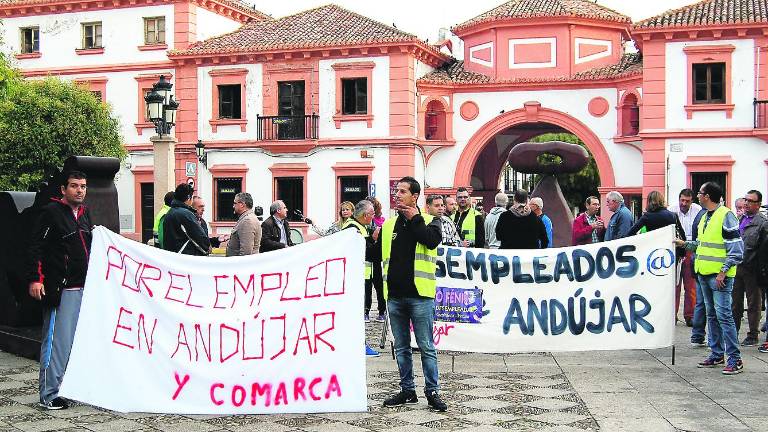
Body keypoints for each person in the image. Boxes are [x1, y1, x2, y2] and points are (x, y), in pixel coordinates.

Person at [376, 176, 446, 411]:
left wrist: (413, 217)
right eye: (396, 190)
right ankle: (407, 391)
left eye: (402, 191)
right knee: (402, 347)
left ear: (414, 197)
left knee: (426, 346)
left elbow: (430, 241)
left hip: (420, 296)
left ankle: (432, 391)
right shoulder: (387, 226)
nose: (397, 195)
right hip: (394, 296)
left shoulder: (430, 221)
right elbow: (375, 254)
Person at [27, 171, 92, 410]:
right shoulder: (51, 213)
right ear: (63, 189)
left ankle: (66, 387)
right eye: (74, 186)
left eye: (83, 186)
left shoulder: (85, 214)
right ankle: (49, 393)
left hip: (83, 288)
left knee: (75, 344)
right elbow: (36, 247)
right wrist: (35, 279)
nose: (79, 190)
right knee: (56, 342)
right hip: (60, 289)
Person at [676, 182, 744, 374]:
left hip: (718, 277)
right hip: (704, 275)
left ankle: (735, 358)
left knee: (724, 316)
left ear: (707, 196)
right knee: (712, 315)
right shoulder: (706, 216)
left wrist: (723, 271)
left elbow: (736, 250)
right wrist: (684, 243)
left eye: (700, 193)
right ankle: (716, 353)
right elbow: (702, 244)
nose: (698, 196)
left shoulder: (726, 216)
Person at [342, 200, 381, 357]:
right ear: (365, 215)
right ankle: (359, 346)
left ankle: (359, 344)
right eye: (372, 214)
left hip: (360, 275)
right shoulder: (353, 229)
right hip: (354, 276)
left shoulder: (357, 226)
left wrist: (371, 238)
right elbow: (367, 252)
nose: (373, 217)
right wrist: (377, 240)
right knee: (355, 315)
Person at [732, 190, 768, 346]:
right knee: (735, 303)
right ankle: (733, 332)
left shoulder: (762, 222)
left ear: (758, 204)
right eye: (745, 200)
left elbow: (763, 249)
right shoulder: (740, 219)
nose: (746, 203)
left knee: (754, 303)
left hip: (752, 268)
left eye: (750, 201)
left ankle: (753, 334)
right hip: (737, 266)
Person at [670, 189, 703, 327]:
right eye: (682, 200)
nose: (684, 203)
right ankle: (672, 315)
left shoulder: (698, 210)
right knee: (675, 285)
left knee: (691, 285)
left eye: (687, 201)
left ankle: (690, 316)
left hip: (690, 248)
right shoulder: (672, 210)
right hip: (676, 248)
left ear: (692, 201)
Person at [162, 183, 210, 256]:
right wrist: (207, 245)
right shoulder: (186, 214)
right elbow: (201, 238)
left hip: (172, 255)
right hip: (185, 257)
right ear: (188, 197)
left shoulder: (170, 212)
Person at [364, 196, 386, 322]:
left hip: (378, 258)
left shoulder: (381, 221)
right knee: (366, 287)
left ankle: (382, 311)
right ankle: (365, 311)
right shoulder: (362, 222)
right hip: (366, 258)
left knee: (380, 287)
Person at [226, 192, 262, 257]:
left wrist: (240, 266)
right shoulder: (246, 218)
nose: (233, 206)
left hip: (240, 265)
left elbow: (246, 251)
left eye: (235, 203)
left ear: (242, 204)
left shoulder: (247, 221)